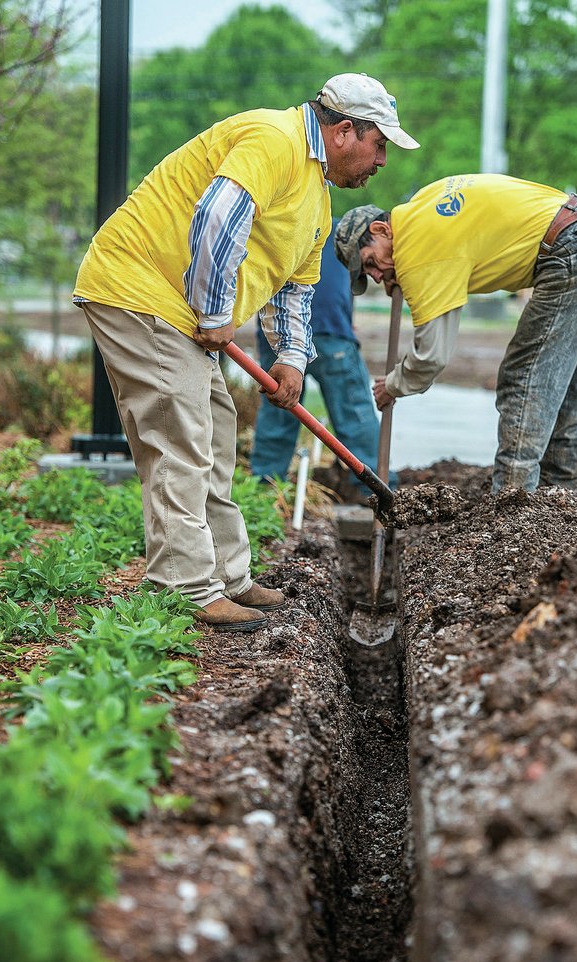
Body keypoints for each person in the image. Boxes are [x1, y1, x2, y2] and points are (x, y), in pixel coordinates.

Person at [73, 74, 418, 632]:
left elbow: (295, 293)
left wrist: (292, 360)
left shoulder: (317, 201)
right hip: (139, 289)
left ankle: (228, 578)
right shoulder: (273, 138)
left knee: (215, 434)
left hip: (180, 310)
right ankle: (186, 587)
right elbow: (217, 218)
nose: (381, 161)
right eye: (380, 145)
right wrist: (213, 314)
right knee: (179, 437)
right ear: (346, 131)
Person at [334, 174, 577, 494]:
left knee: (523, 378)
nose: (376, 276)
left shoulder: (417, 250)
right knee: (561, 383)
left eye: (371, 263)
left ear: (380, 229)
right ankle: (562, 499)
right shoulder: (421, 206)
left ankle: (512, 506)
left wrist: (393, 384)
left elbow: (432, 356)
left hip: (571, 242)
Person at [250, 219, 395, 499]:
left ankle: (266, 488)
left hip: (277, 330)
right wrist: (346, 323)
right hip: (330, 329)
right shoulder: (342, 233)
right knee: (354, 413)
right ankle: (378, 490)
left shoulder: (277, 220)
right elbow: (347, 288)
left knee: (278, 410)